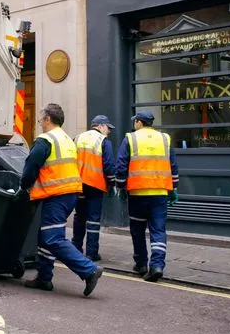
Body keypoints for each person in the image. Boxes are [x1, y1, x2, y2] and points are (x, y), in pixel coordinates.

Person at [19, 103, 103, 296]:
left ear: (48, 119)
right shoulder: (66, 139)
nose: (40, 124)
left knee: (53, 238)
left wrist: (24, 185)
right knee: (45, 236)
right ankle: (44, 278)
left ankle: (89, 270)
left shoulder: (45, 140)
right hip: (69, 193)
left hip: (56, 194)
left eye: (41, 120)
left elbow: (31, 167)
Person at [115, 109, 179, 282]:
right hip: (159, 193)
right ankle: (157, 265)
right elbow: (172, 166)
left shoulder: (130, 138)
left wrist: (121, 187)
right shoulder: (165, 139)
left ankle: (141, 264)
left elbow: (121, 165)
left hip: (137, 193)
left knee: (137, 230)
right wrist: (173, 189)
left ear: (139, 122)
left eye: (135, 121)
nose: (134, 123)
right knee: (158, 230)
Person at [72, 115, 117, 261]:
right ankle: (91, 252)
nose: (109, 131)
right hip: (95, 185)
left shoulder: (77, 138)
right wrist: (112, 183)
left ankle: (75, 248)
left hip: (78, 185)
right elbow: (109, 165)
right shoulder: (103, 141)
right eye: (108, 128)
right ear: (101, 125)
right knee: (93, 219)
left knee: (79, 217)